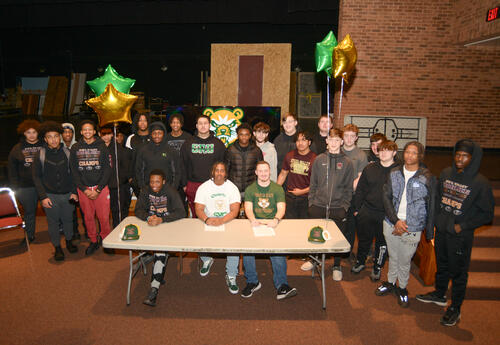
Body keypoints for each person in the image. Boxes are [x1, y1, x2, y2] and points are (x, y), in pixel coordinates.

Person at [416, 139, 494, 326]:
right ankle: (439, 293)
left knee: (459, 272)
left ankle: (455, 308)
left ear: (472, 158)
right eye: (458, 154)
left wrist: (463, 226)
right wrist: (434, 223)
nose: (459, 159)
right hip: (442, 230)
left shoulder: (480, 183)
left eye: (465, 156)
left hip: (460, 236)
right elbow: (437, 199)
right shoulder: (446, 173)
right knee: (442, 265)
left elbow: (487, 215)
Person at [377, 141, 436, 308]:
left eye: (414, 153)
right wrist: (396, 221)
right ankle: (390, 282)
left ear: (420, 156)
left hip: (412, 227)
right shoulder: (394, 172)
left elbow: (431, 206)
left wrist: (429, 231)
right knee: (393, 256)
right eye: (407, 152)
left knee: (404, 259)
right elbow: (386, 197)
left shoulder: (427, 177)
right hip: (391, 222)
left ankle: (402, 287)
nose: (409, 155)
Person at [242, 161, 297, 300]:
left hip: (273, 224)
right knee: (247, 250)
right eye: (260, 171)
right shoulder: (250, 189)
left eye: (265, 171)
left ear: (270, 171)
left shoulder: (277, 189)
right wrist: (253, 219)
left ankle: (282, 286)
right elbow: (248, 208)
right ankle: (252, 282)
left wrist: (276, 219)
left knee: (278, 251)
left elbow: (281, 208)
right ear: (256, 172)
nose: (263, 173)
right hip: (256, 223)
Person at [308, 128, 354, 281]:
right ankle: (313, 260)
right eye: (331, 140)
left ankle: (336, 265)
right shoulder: (319, 159)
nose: (333, 143)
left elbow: (348, 188)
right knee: (315, 234)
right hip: (318, 205)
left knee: (336, 238)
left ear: (341, 142)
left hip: (337, 208)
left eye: (337, 140)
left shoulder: (347, 162)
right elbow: (313, 183)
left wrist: (344, 207)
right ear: (326, 141)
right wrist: (311, 203)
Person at [135, 169, 186, 307]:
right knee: (158, 252)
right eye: (151, 181)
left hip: (168, 228)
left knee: (160, 252)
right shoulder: (145, 191)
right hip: (151, 226)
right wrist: (148, 217)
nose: (154, 184)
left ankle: (154, 288)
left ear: (163, 182)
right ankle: (157, 264)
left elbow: (182, 212)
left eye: (157, 181)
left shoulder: (171, 192)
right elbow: (138, 209)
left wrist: (162, 219)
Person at [351, 140, 399, 281]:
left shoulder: (398, 171)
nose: (383, 153)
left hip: (387, 214)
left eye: (387, 150)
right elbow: (360, 190)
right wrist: (357, 209)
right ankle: (360, 261)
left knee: (382, 243)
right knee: (364, 239)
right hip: (367, 210)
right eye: (381, 150)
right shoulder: (370, 168)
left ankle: (377, 266)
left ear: (394, 153)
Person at [32, 121, 78, 261]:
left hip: (67, 195)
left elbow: (75, 175)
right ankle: (57, 247)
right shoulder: (40, 154)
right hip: (50, 196)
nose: (53, 139)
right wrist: (43, 196)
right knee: (53, 223)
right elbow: (36, 177)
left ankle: (69, 241)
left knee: (68, 221)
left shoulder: (68, 153)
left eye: (56, 136)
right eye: (50, 137)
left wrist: (74, 191)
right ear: (45, 139)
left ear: (60, 137)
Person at [194, 162, 241, 293]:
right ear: (212, 172)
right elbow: (198, 208)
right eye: (217, 170)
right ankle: (207, 259)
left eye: (222, 171)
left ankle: (231, 275)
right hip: (208, 221)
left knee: (233, 246)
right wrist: (207, 219)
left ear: (226, 173)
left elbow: (234, 211)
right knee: (196, 238)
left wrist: (221, 220)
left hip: (227, 221)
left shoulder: (232, 188)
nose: (219, 173)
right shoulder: (204, 187)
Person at [70, 120, 112, 255]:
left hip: (101, 189)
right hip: (84, 190)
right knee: (88, 217)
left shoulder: (102, 147)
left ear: (94, 132)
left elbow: (107, 169)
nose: (87, 132)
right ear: (81, 132)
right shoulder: (75, 148)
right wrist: (84, 189)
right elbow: (74, 171)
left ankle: (105, 240)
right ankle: (93, 240)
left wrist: (98, 189)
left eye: (90, 129)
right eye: (84, 130)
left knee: (104, 217)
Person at [180, 115, 226, 216]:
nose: (203, 126)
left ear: (209, 125)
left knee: (212, 213)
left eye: (205, 123)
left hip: (213, 184)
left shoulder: (218, 144)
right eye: (200, 123)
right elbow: (182, 164)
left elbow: (224, 165)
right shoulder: (188, 144)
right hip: (193, 185)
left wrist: (221, 183)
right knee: (196, 214)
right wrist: (184, 184)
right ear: (196, 126)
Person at [8, 119, 42, 245]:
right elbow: (12, 170)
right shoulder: (17, 149)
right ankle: (29, 235)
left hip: (45, 185)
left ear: (38, 133)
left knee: (52, 209)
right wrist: (15, 188)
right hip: (26, 186)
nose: (32, 135)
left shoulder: (46, 145)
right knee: (29, 212)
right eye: (28, 132)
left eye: (34, 132)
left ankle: (59, 231)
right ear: (24, 133)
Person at [342, 124, 369, 266]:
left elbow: (360, 177)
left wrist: (347, 190)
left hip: (351, 194)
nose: (349, 139)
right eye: (346, 135)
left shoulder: (361, 155)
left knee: (351, 225)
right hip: (336, 195)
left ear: (356, 138)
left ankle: (348, 250)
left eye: (352, 136)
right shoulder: (337, 150)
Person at [277, 131, 316, 219]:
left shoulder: (315, 159)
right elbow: (283, 174)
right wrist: (275, 191)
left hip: (307, 199)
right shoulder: (290, 155)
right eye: (298, 141)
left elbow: (317, 184)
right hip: (290, 197)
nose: (300, 143)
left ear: (309, 142)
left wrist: (302, 191)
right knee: (290, 225)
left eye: (303, 140)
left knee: (304, 226)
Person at [100, 127, 132, 228]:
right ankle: (103, 235)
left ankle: (118, 231)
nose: (106, 137)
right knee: (102, 213)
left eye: (108, 134)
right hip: (101, 186)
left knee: (118, 212)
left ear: (112, 135)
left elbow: (125, 170)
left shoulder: (120, 150)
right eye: (103, 134)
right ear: (99, 134)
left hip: (117, 186)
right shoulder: (98, 148)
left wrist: (115, 183)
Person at [135, 121, 180, 191]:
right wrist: (142, 187)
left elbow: (176, 172)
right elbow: (139, 171)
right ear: (150, 135)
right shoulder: (143, 151)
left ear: (164, 134)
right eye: (154, 133)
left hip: (167, 189)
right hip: (148, 189)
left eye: (159, 133)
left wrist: (173, 188)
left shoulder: (171, 151)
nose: (157, 136)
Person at [62, 122, 86, 241]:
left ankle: (87, 230)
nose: (67, 134)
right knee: (70, 211)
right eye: (65, 132)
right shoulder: (58, 148)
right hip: (66, 184)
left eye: (70, 131)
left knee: (84, 210)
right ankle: (74, 231)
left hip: (80, 183)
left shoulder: (78, 146)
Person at [224, 123, 263, 195]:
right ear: (237, 135)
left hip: (251, 189)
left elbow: (260, 170)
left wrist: (259, 186)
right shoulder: (230, 150)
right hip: (234, 189)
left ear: (250, 135)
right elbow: (226, 170)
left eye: (246, 134)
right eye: (241, 134)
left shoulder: (256, 151)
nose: (244, 137)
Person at [125, 113, 151, 198]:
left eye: (145, 120)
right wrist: (130, 178)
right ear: (136, 122)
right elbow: (128, 159)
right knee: (142, 205)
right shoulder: (131, 138)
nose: (142, 123)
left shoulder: (154, 136)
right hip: (136, 178)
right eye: (140, 120)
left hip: (153, 177)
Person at [273, 113, 298, 177]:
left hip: (299, 179)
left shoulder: (303, 139)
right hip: (281, 178)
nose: (287, 124)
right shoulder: (277, 140)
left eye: (290, 122)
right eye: (285, 122)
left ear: (295, 123)